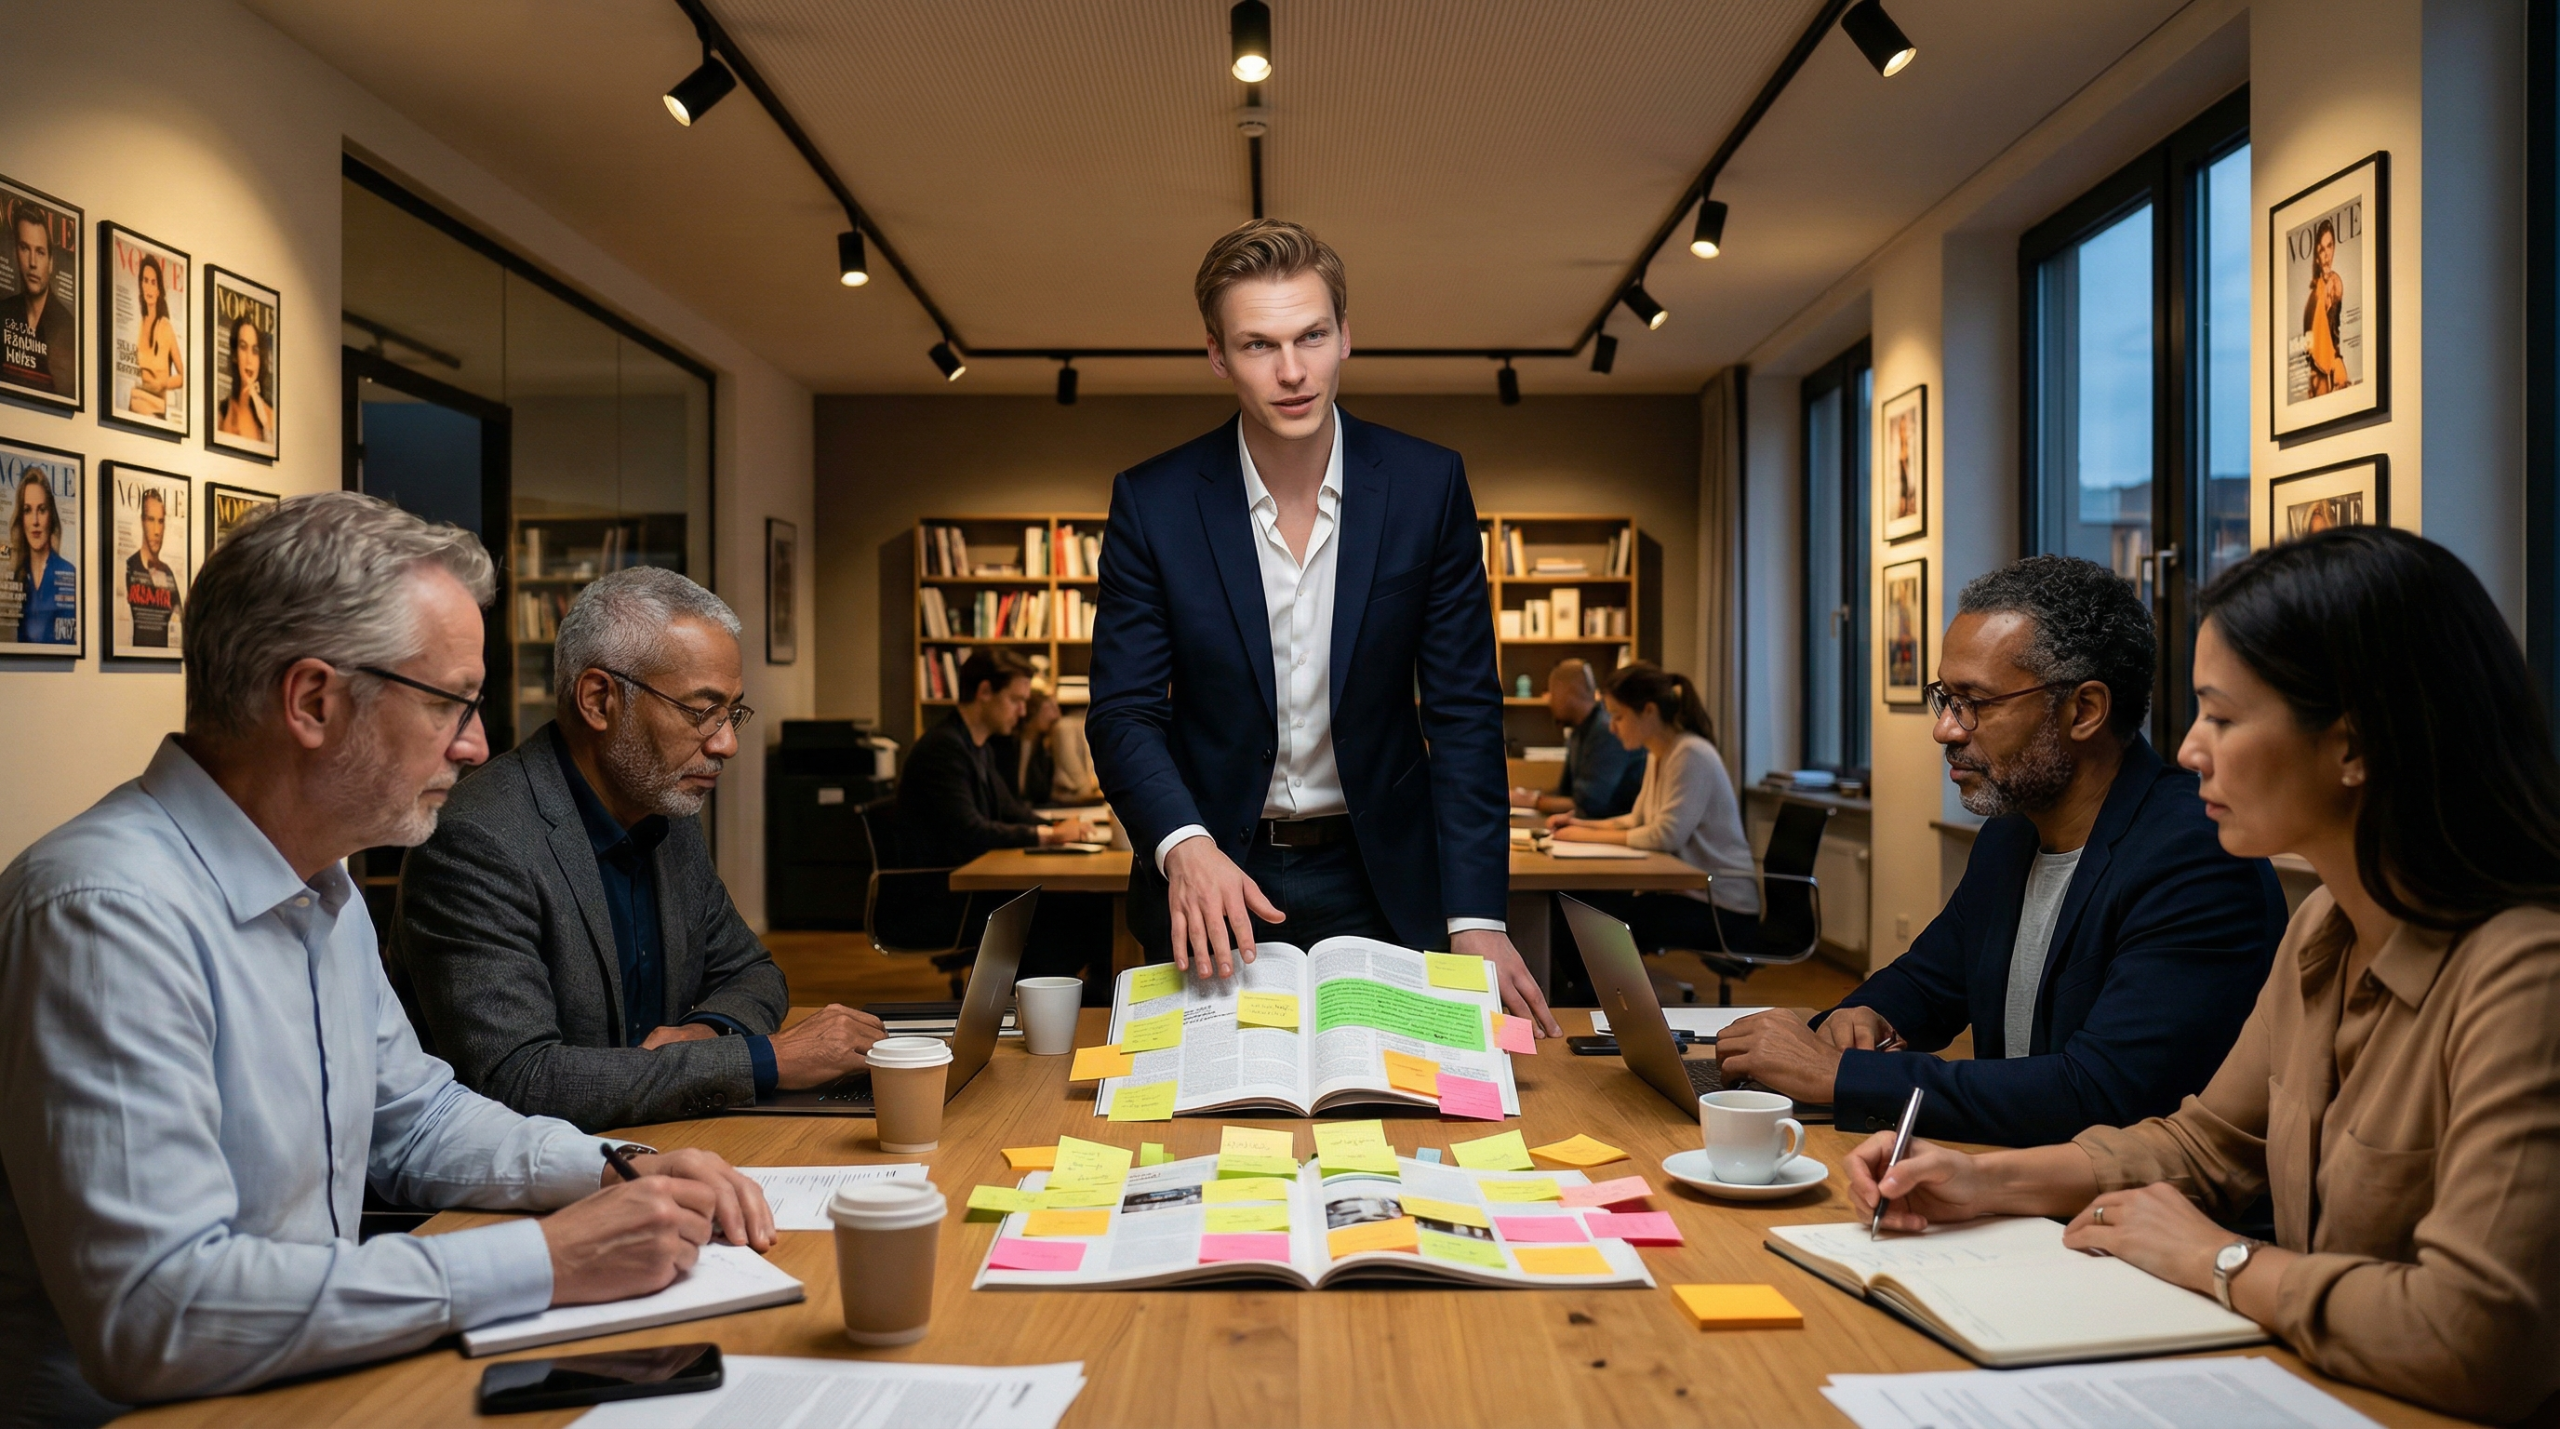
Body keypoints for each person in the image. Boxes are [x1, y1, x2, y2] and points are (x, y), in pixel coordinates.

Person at [0, 492, 774, 1428]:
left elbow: (413, 1120)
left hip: (322, 1384)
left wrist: (611, 1167)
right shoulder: (108, 912)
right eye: (451, 702)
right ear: (314, 701)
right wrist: (548, 1259)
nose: (477, 743)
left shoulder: (318, 881)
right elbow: (159, 1309)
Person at [1852, 528, 2560, 1424]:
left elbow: (2478, 1339)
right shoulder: (2326, 928)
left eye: (2222, 716)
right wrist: (1981, 1181)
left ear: (2353, 746)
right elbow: (2207, 1146)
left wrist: (2221, 1262)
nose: (2189, 751)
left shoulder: (2524, 974)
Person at [1087, 218, 1560, 1035]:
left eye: (1312, 335)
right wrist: (1182, 843)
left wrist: (1477, 911)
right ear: (1216, 354)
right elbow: (1123, 709)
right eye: (1259, 345)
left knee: (1399, 1122)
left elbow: (1463, 715)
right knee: (1212, 1122)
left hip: (1384, 876)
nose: (1293, 371)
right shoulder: (1153, 503)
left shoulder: (1427, 485)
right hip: (1214, 875)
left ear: (1347, 335)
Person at [1718, 555, 2283, 1145]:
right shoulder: (2013, 834)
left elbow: (2101, 1095)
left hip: (2122, 1218)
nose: (1946, 730)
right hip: (2002, 1180)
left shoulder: (2197, 856)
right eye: (1946, 697)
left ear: (2084, 710)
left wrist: (1841, 1074)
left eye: (1975, 703)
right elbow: (1926, 982)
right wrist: (1861, 1017)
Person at [393, 567, 883, 1131]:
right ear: (599, 700)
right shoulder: (478, 840)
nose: (726, 743)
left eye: (732, 713)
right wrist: (765, 1059)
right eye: (702, 712)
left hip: (669, 1144)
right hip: (526, 1190)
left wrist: (708, 1037)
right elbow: (517, 1080)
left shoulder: (663, 813)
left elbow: (752, 972)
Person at [898, 648, 1110, 989]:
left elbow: (1010, 808)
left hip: (974, 884)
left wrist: (1053, 830)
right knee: (1078, 908)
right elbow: (971, 831)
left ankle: (1072, 1000)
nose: (1023, 711)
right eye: (1015, 700)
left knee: (1087, 903)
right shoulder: (944, 750)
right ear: (984, 692)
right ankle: (1044, 1005)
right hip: (945, 896)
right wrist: (1049, 836)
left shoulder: (975, 745)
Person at [1546, 662, 1757, 1002]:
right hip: (1693, 897)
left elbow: (1664, 836)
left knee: (1593, 923)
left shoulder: (1690, 754)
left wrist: (1586, 836)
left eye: (1618, 716)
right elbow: (1636, 820)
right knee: (1579, 911)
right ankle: (1590, 1004)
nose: (1612, 728)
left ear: (1648, 711)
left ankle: (1592, 1007)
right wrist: (1579, 824)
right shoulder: (1661, 754)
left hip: (1724, 909)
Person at [1509, 657, 1644, 820]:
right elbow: (1565, 793)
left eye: (1552, 693)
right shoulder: (1577, 733)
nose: (1549, 700)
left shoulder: (1607, 730)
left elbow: (1589, 805)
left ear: (1569, 692)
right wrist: (1531, 797)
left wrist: (1530, 801)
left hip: (1610, 829)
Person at [2, 201, 74, 398]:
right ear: (16, 253)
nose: (32, 263)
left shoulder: (69, 327)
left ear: (51, 263)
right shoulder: (3, 313)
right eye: (25, 248)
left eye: (40, 252)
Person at [9, 467, 74, 646]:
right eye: (27, 510)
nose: (35, 521)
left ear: (51, 515)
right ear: (21, 518)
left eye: (42, 509)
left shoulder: (69, 574)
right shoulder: (16, 577)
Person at [123, 253, 182, 419]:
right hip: (137, 406)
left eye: (153, 282)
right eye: (145, 280)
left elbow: (183, 376)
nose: (149, 287)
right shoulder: (139, 323)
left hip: (156, 411)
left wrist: (162, 383)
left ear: (158, 290)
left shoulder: (165, 327)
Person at [121, 489, 181, 649]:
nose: (156, 531)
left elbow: (180, 621)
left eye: (161, 522)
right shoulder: (128, 567)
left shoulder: (168, 573)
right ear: (142, 521)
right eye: (151, 520)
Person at [989, 681, 1063, 807]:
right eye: (1050, 708)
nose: (1056, 714)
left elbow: (1043, 793)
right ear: (1033, 710)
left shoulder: (1045, 748)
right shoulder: (1003, 742)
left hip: (1033, 810)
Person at [2303, 218, 2351, 396]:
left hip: (2330, 365)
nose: (2326, 255)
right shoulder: (2314, 296)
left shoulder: (2335, 282)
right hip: (2318, 371)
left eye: (2329, 246)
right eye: (2321, 249)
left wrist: (2337, 361)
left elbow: (2335, 331)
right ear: (2316, 254)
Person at [217, 315, 273, 445]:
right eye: (243, 347)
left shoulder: (269, 415)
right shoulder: (223, 411)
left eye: (255, 350)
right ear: (235, 355)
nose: (249, 359)